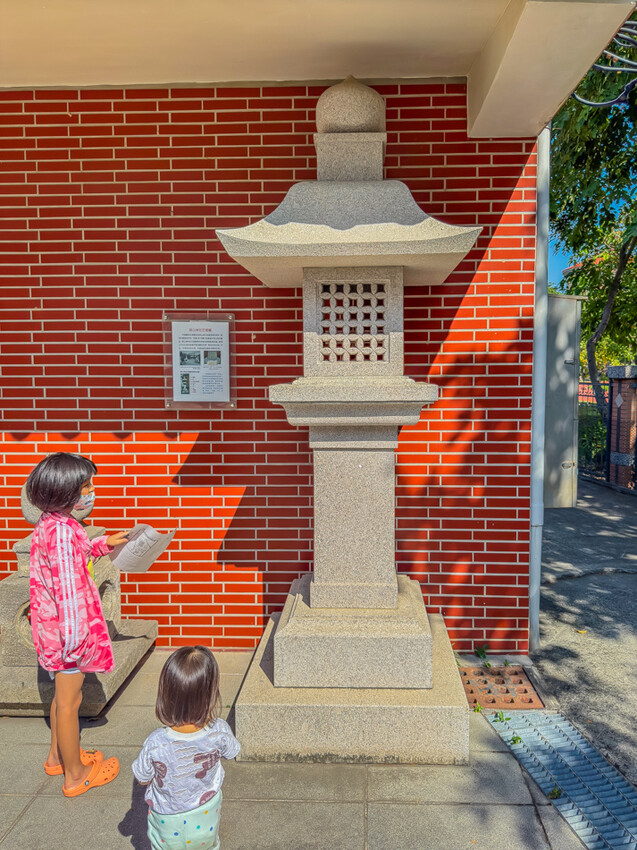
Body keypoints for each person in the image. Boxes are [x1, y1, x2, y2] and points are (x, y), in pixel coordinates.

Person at [27, 451, 129, 797]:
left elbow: (77, 552)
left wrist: (103, 544)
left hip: (53, 633)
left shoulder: (53, 523)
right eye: (85, 486)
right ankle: (76, 774)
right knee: (71, 702)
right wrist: (76, 642)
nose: (91, 492)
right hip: (67, 636)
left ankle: (57, 757)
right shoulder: (61, 532)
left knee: (62, 699)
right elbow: (68, 593)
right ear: (64, 490)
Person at [132, 646, 240, 850]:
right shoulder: (219, 730)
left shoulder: (156, 742)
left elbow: (142, 778)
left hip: (167, 819)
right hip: (207, 813)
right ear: (211, 694)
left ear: (166, 695)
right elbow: (232, 751)